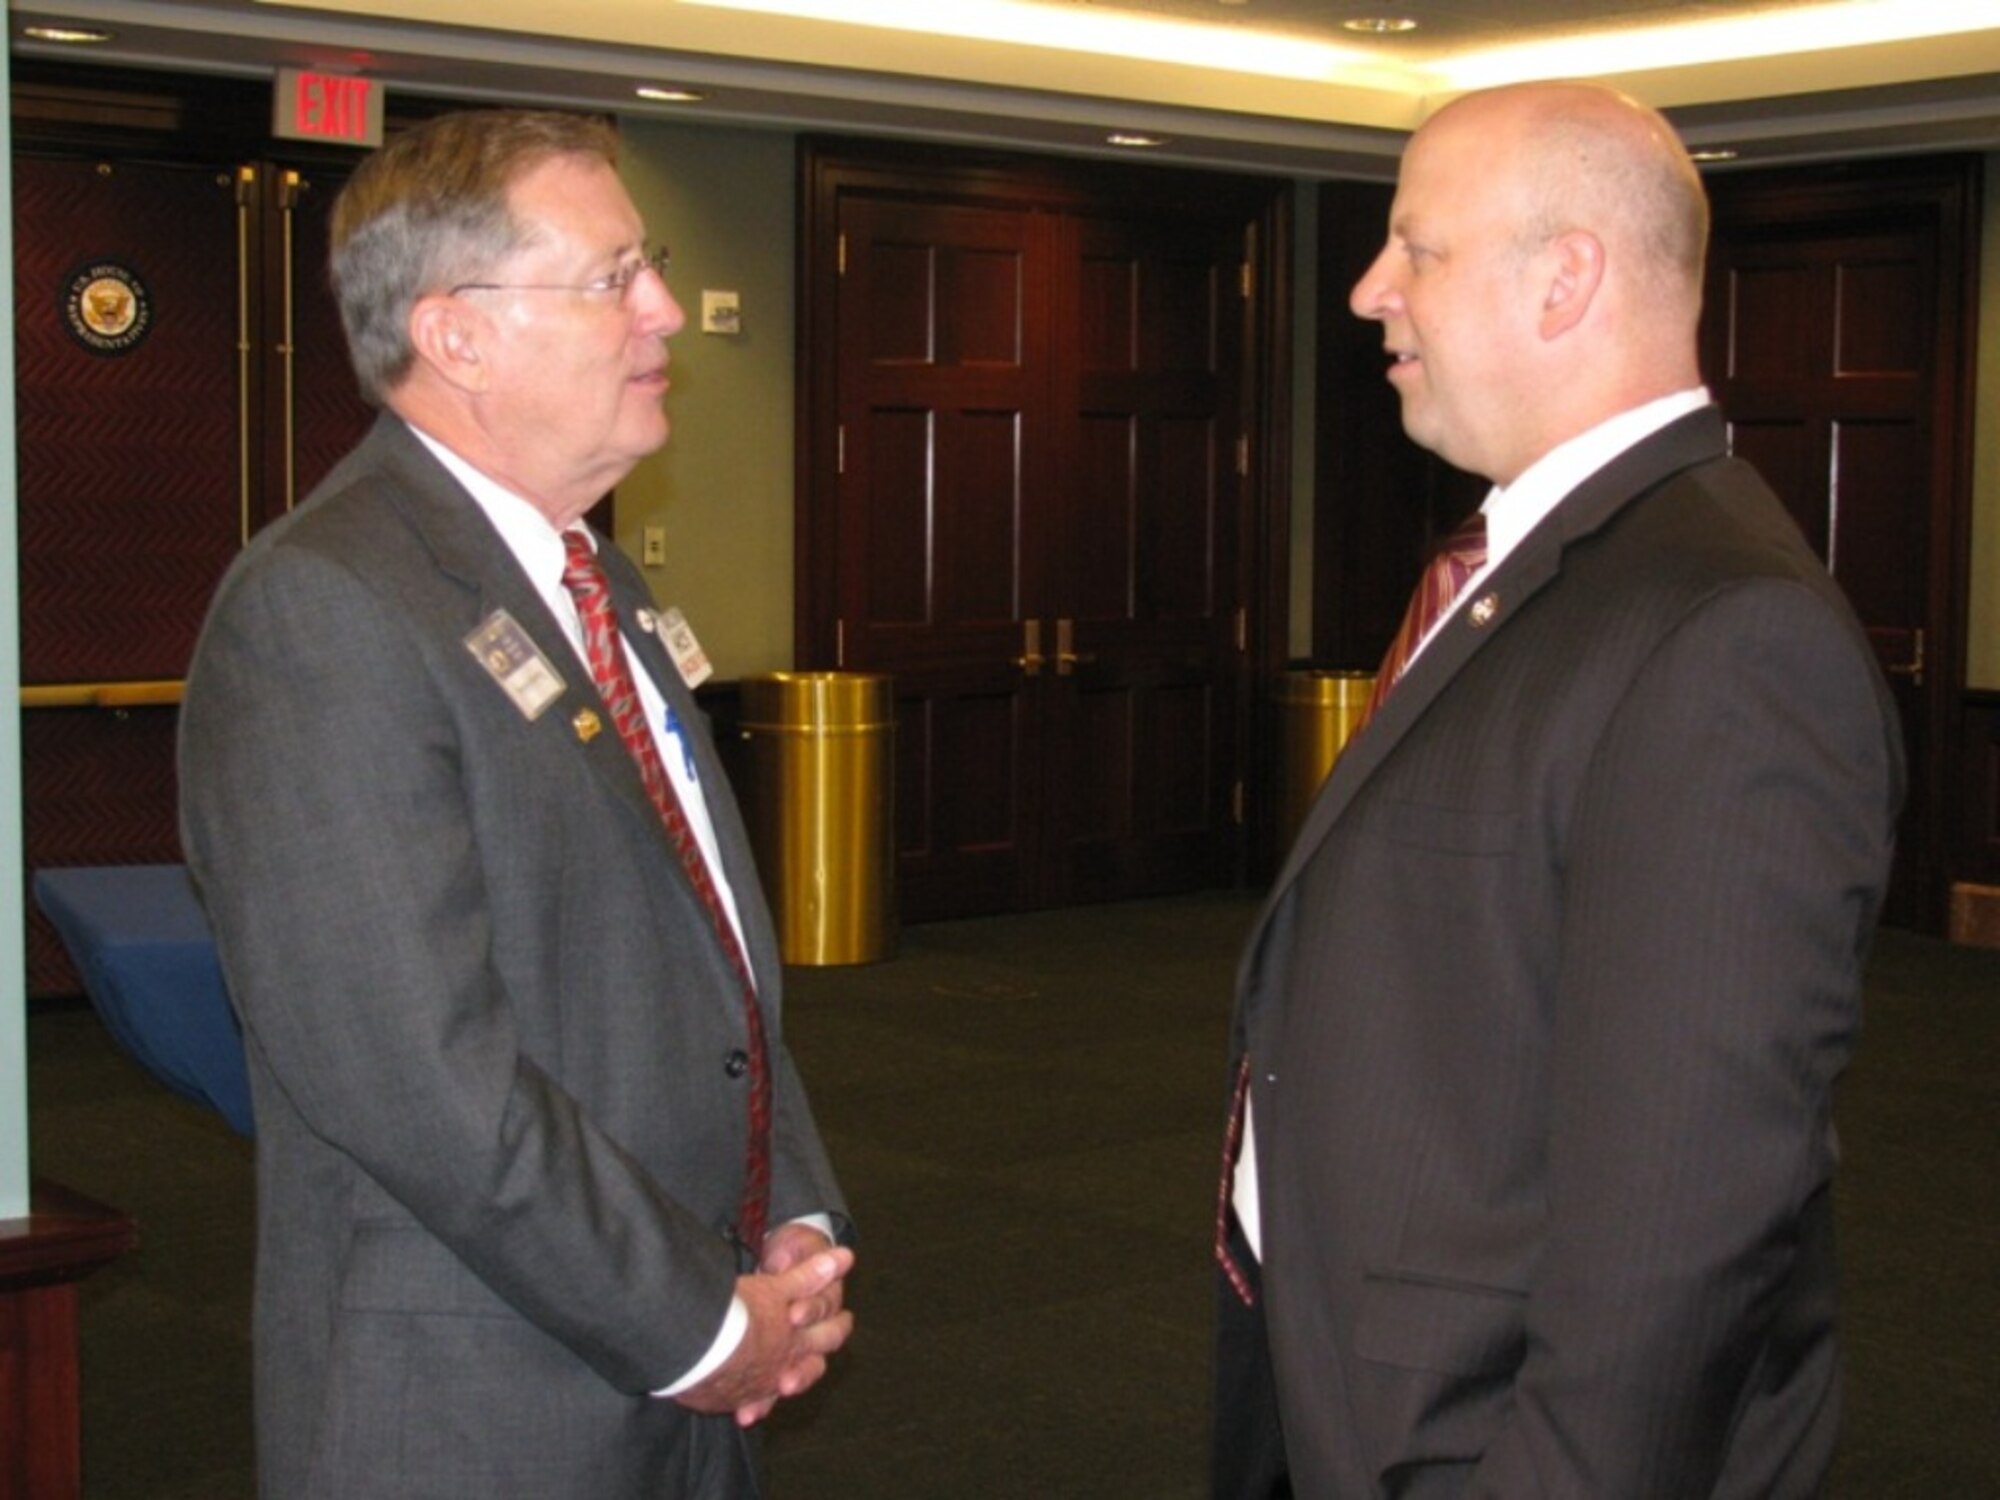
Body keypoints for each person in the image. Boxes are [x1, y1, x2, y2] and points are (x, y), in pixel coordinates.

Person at [1213, 81, 1903, 1497]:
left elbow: (1684, 1219)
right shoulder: (1535, 564)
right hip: (1362, 1379)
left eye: (1417, 248)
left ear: (1566, 279)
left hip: (1488, 1440)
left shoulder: (1726, 634)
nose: (1367, 291)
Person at [180, 109, 853, 1499]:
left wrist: (787, 1218)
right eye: (614, 277)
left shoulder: (602, 586)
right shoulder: (326, 609)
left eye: (650, 266)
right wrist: (698, 1323)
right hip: (478, 1407)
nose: (666, 310)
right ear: (458, 335)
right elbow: (417, 1079)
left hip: (684, 1348)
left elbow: (705, 955)